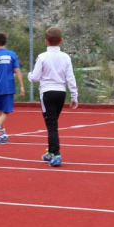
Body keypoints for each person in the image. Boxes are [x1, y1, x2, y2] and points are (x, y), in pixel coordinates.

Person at [27, 27, 78, 167]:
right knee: (53, 123)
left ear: (46, 41)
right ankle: (50, 152)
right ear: (61, 41)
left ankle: (56, 154)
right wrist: (74, 96)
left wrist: (29, 75)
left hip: (47, 93)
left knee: (51, 125)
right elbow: (70, 77)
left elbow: (35, 77)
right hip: (61, 93)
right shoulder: (66, 57)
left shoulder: (42, 57)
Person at [0, 32, 25, 143]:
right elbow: (17, 70)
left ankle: (3, 134)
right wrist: (22, 86)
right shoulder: (12, 54)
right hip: (8, 86)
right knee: (6, 111)